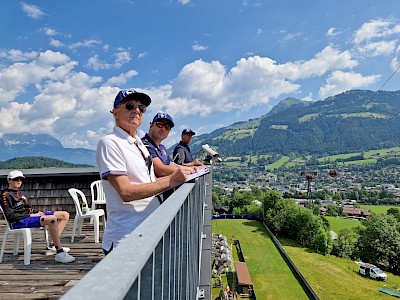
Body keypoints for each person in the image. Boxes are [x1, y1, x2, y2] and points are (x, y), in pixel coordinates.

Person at [96, 89, 191, 255]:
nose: (136, 110)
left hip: (145, 231)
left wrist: (188, 169)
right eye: (130, 105)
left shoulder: (137, 143)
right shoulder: (109, 143)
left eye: (142, 107)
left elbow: (148, 178)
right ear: (115, 113)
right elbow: (125, 192)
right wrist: (173, 180)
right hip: (125, 239)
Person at [1, 170, 75, 263]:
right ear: (9, 180)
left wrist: (38, 213)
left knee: (64, 215)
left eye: (21, 179)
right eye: (16, 179)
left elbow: (29, 208)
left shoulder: (21, 193)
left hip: (29, 217)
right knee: (52, 219)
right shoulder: (5, 195)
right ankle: (59, 252)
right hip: (19, 221)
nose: (19, 181)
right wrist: (30, 215)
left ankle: (53, 246)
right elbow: (11, 216)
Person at [142, 112, 198, 177]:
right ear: (151, 125)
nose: (163, 129)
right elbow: (160, 170)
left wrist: (191, 168)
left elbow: (171, 164)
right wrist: (190, 170)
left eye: (167, 127)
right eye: (160, 124)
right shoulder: (144, 145)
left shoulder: (162, 147)